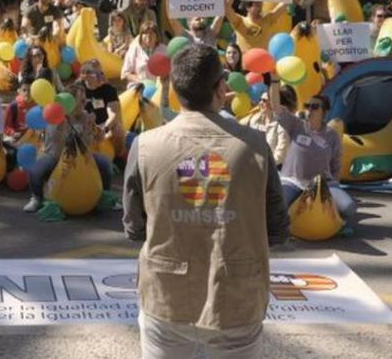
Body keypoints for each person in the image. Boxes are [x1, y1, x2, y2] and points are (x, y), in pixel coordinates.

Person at [123, 42, 289, 358]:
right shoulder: (254, 145)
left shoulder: (145, 145)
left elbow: (134, 227)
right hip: (236, 295)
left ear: (175, 89)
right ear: (220, 87)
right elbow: (278, 227)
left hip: (167, 293)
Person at [23, 84, 114, 212]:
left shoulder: (84, 116)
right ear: (70, 101)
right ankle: (36, 198)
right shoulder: (55, 115)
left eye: (85, 99)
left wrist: (88, 128)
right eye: (81, 99)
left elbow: (86, 145)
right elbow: (59, 142)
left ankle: (105, 195)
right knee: (36, 171)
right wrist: (64, 122)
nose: (85, 102)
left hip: (79, 158)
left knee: (104, 163)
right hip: (55, 156)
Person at [272, 88, 356, 221]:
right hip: (293, 181)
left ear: (324, 112)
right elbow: (276, 108)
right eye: (307, 106)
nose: (310, 109)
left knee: (349, 208)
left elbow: (336, 163)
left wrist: (334, 182)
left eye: (315, 106)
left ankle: (337, 224)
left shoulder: (332, 135)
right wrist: (274, 82)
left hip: (323, 184)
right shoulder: (296, 125)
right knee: (275, 205)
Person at [243, 84, 296, 167]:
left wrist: (264, 166)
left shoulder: (281, 124)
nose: (260, 103)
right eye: (260, 100)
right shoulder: (254, 119)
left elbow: (280, 153)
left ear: (272, 103)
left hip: (275, 169)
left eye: (264, 100)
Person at [79, 60, 124, 154]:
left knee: (118, 129)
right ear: (85, 76)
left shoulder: (109, 89)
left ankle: (119, 155)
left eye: (101, 73)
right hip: (86, 124)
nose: (101, 77)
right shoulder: (78, 89)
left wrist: (104, 129)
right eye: (96, 74)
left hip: (104, 124)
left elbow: (113, 114)